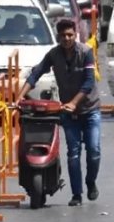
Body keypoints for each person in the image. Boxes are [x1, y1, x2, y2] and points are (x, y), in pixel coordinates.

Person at [19, 18, 101, 206]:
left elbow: (89, 82)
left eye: (70, 35)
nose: (67, 39)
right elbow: (36, 73)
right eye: (63, 36)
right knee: (73, 153)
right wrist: (20, 96)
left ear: (75, 35)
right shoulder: (53, 54)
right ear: (58, 37)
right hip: (68, 113)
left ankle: (91, 182)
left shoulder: (86, 53)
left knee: (94, 151)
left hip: (90, 110)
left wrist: (73, 102)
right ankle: (77, 195)